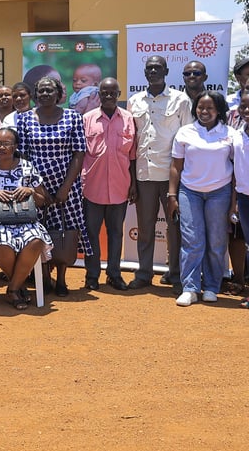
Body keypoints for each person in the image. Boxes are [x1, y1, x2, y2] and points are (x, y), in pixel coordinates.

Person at [17, 76, 89, 296]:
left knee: (66, 230)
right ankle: (45, 277)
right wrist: (38, 189)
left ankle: (62, 279)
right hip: (35, 185)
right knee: (40, 229)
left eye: (50, 90)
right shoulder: (25, 119)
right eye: (41, 91)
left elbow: (79, 153)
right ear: (35, 94)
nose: (45, 94)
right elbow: (23, 156)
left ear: (59, 94)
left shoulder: (73, 117)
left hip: (67, 185)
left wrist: (65, 188)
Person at [127, 55, 191, 292]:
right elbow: (132, 142)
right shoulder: (135, 101)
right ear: (145, 73)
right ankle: (144, 273)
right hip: (144, 175)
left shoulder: (180, 100)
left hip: (172, 176)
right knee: (145, 228)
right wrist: (132, 180)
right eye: (149, 68)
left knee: (175, 229)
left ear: (166, 71)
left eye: (157, 68)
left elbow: (187, 138)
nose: (153, 71)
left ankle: (176, 275)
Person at [0, 126, 53, 310]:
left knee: (35, 239)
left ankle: (13, 288)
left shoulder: (27, 167)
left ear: (15, 146)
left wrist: (30, 191)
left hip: (23, 218)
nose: (1, 147)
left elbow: (42, 201)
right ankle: (18, 286)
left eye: (6, 144)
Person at [168, 91, 235, 306]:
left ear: (219, 110)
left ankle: (212, 287)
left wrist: (233, 202)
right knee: (192, 241)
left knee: (216, 241)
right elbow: (176, 167)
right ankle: (190, 288)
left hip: (220, 192)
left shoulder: (230, 134)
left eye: (210, 108)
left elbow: (236, 170)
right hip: (190, 192)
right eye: (200, 107)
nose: (204, 111)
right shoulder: (185, 132)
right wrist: (172, 195)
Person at [81, 78, 137, 291]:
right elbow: (80, 153)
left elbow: (132, 155)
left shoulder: (128, 119)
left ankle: (114, 274)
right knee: (91, 233)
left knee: (116, 233)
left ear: (119, 94)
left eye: (113, 92)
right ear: (99, 94)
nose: (109, 96)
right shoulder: (87, 119)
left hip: (120, 186)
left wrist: (133, 184)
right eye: (104, 92)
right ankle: (92, 275)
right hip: (92, 187)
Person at [230, 89, 249, 305]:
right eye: (243, 106)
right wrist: (234, 201)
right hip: (244, 197)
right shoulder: (236, 134)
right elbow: (235, 169)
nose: (247, 110)